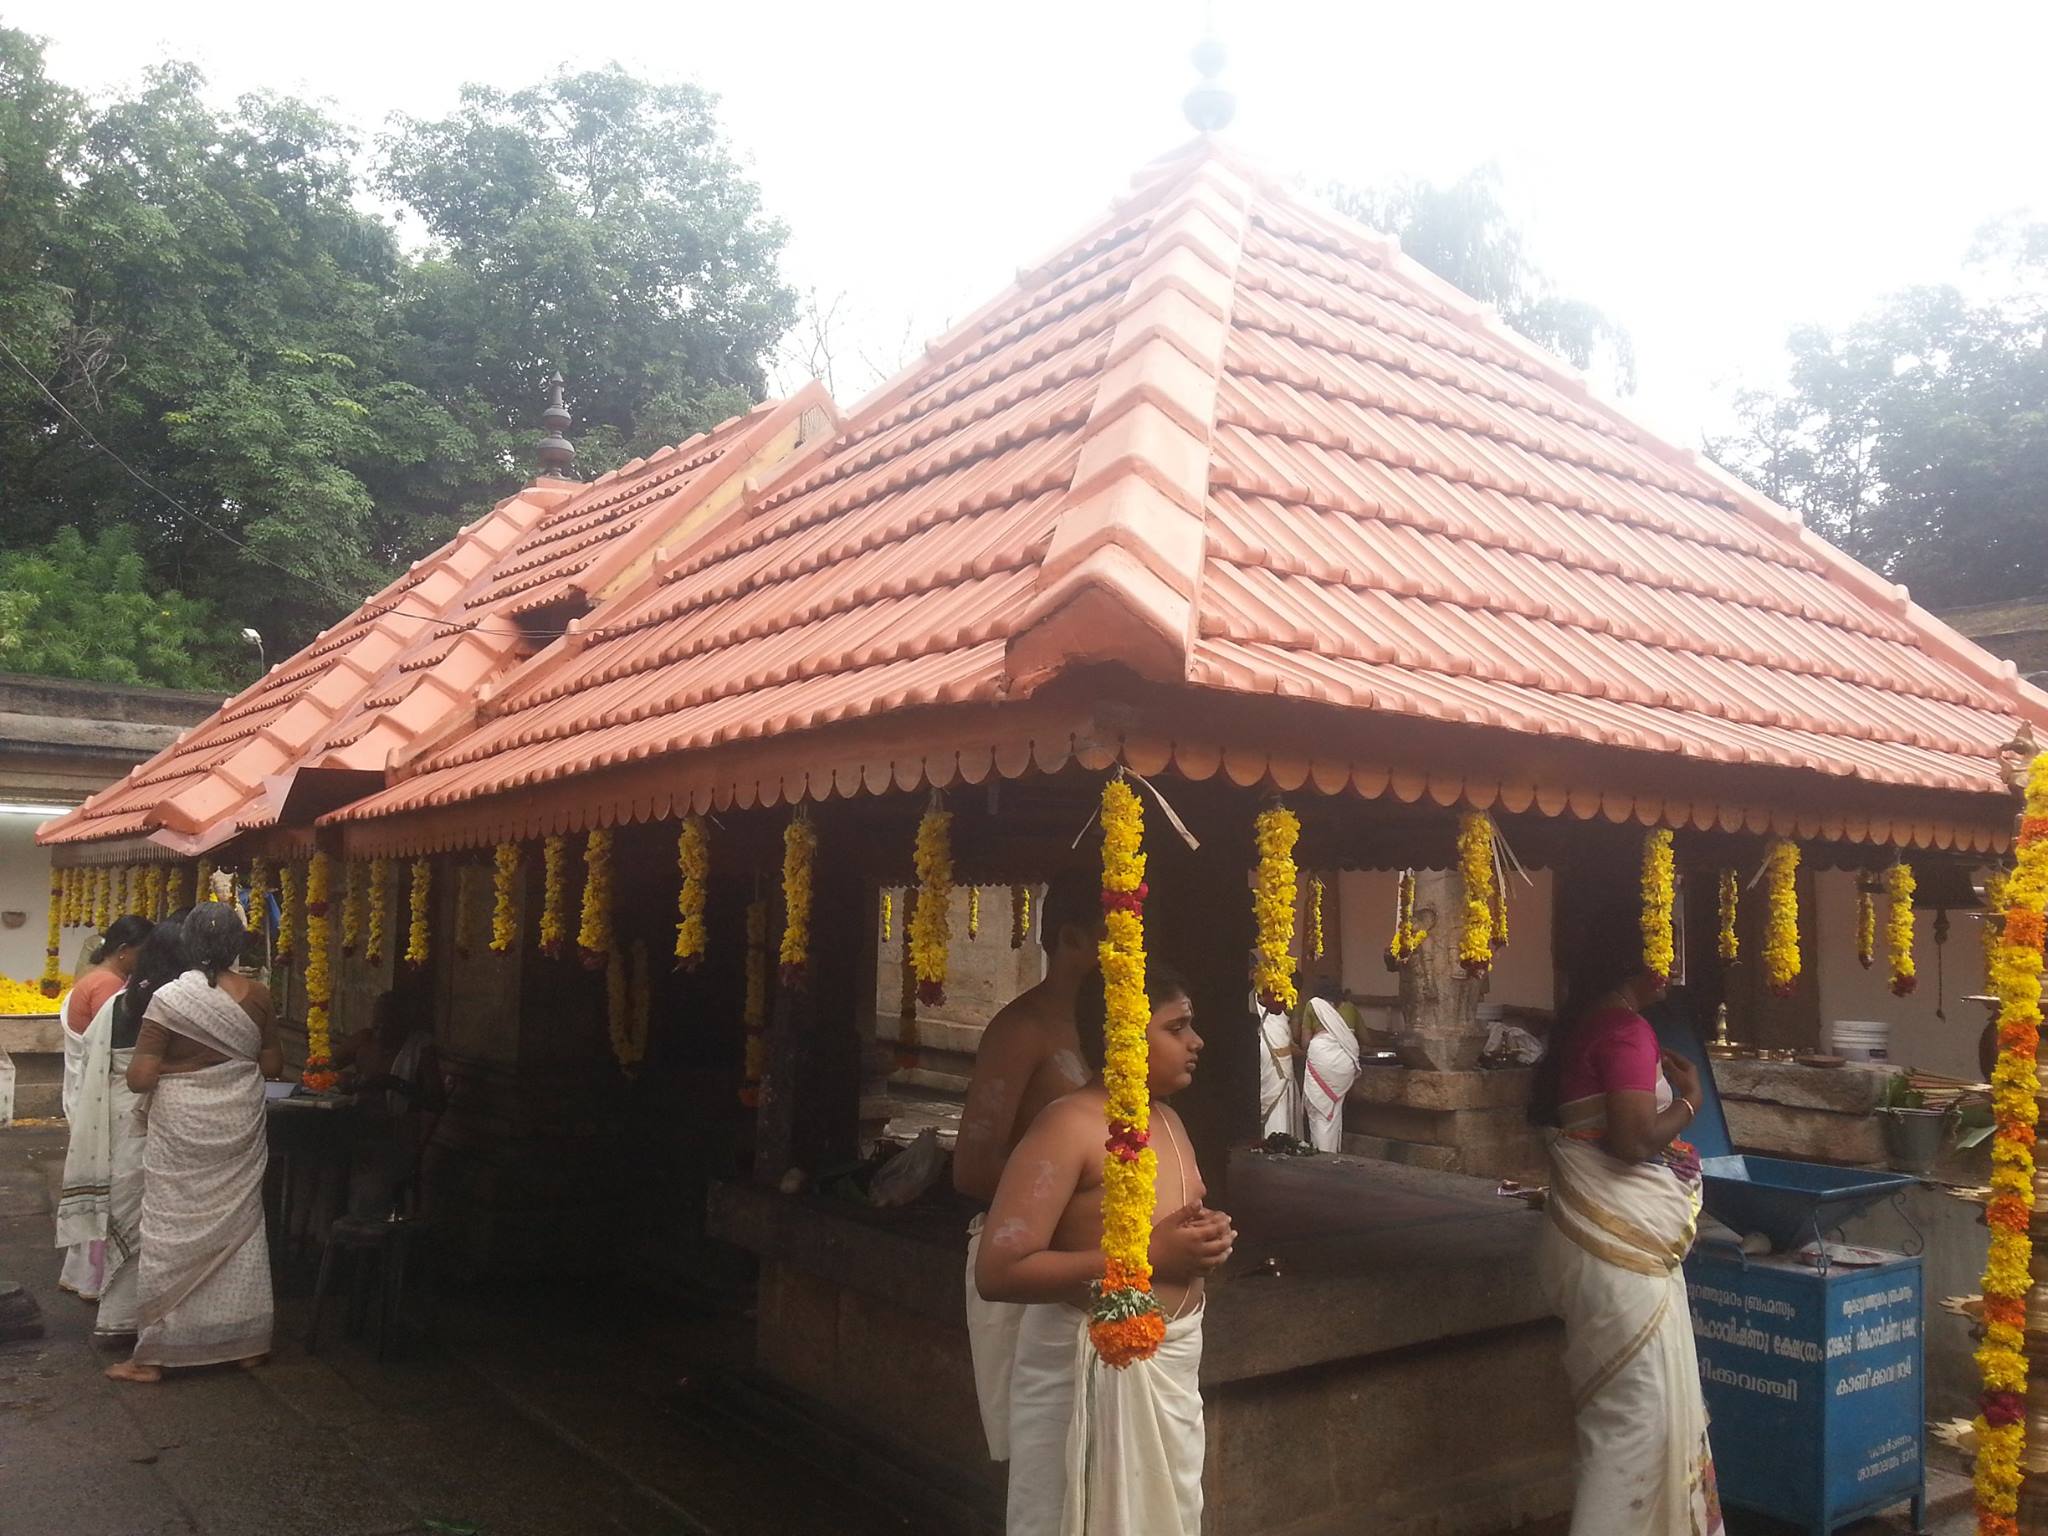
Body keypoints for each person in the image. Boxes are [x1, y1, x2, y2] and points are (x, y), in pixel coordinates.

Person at [976, 963, 1232, 1536]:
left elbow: (1170, 1230)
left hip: (1170, 1370)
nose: (1197, 1042)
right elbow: (998, 1271)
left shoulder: (1168, 1122)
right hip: (1088, 1372)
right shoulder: (1069, 1125)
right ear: (1124, 1035)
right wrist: (1147, 1259)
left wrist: (1206, 1236)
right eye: (1178, 1027)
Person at [1535, 941, 1721, 1536]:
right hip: (1621, 1256)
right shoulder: (1626, 1029)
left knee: (1631, 1420)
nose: (1674, 966)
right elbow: (1633, 1140)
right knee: (1637, 1424)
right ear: (1643, 958)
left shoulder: (1588, 1024)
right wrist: (1691, 1100)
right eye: (1667, 947)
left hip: (1603, 1243)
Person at [953, 868, 1105, 1462]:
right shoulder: (1023, 1029)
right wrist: (1071, 1200)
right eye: (1116, 936)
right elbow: (971, 1169)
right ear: (1072, 939)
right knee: (1040, 1458)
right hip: (1035, 1264)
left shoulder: (1117, 1028)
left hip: (1097, 1274)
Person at [107, 902, 281, 1383]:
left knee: (170, 1232)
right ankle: (245, 1344)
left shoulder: (167, 999)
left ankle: (153, 1357)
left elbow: (140, 1079)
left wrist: (183, 1068)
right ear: (236, 946)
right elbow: (271, 1068)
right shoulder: (261, 996)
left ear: (188, 944)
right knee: (242, 1229)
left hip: (181, 1128)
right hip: (237, 1126)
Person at [57, 915, 183, 1339]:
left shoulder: (110, 988)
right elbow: (136, 1066)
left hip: (103, 1097)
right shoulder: (117, 992)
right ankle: (115, 1295)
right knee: (130, 1200)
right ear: (127, 950)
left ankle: (97, 1283)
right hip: (124, 1103)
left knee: (117, 1198)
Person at [56, 914, 152, 1299]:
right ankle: (95, 1279)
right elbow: (111, 1048)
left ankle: (83, 1274)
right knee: (111, 1190)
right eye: (143, 953)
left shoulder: (94, 978)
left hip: (85, 1092)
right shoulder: (109, 987)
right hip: (100, 1093)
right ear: (124, 951)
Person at [336, 990, 444, 1217]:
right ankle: (323, 1236)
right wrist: (344, 1080)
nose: (381, 1032)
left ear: (405, 1024)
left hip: (395, 1139)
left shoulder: (421, 1048)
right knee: (322, 1164)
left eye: (388, 1025)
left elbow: (436, 1102)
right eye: (377, 1025)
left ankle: (362, 1239)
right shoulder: (364, 1040)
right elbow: (319, 1068)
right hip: (356, 1129)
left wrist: (392, 1083)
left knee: (368, 1188)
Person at [1300, 978, 1361, 1153]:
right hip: (1343, 1062)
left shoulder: (1313, 1005)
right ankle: (1331, 1152)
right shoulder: (1349, 1008)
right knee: (1334, 1109)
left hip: (1321, 1057)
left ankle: (1321, 1153)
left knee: (1319, 1108)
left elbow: (1305, 1042)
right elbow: (1364, 1038)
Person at [1252, 958, 1302, 1139]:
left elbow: (1288, 1045)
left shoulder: (1279, 1017)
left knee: (1281, 1117)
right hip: (1267, 1069)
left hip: (1282, 1077)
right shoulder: (1256, 1005)